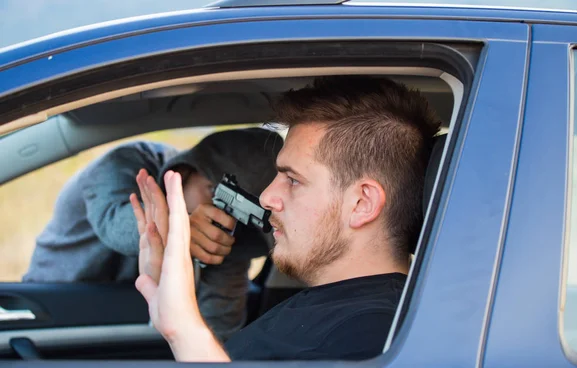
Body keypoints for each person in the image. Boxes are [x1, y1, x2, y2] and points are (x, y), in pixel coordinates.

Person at [132, 76, 441, 361]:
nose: (267, 197)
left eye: (293, 180)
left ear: (362, 203)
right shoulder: (337, 312)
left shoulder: (372, 336)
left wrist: (183, 329)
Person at [23, 127, 283, 342]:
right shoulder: (125, 163)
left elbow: (221, 322)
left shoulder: (223, 236)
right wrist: (176, 227)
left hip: (131, 319)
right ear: (185, 171)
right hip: (51, 306)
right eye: (212, 192)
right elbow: (115, 221)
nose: (215, 216)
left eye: (236, 215)